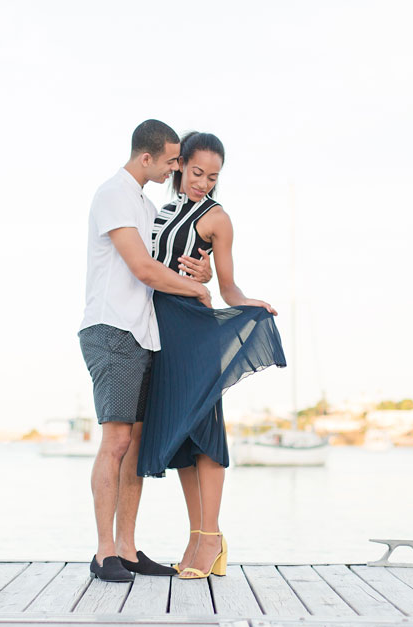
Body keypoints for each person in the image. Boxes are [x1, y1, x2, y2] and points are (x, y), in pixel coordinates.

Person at [137, 132, 286, 580]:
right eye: (197, 172)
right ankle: (197, 538)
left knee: (204, 432)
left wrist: (249, 302)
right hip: (160, 328)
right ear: (179, 164)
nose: (204, 182)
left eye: (213, 176)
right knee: (183, 439)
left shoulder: (218, 218)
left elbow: (227, 287)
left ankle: (212, 538)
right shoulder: (160, 212)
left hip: (193, 328)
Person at [78, 119, 214, 583]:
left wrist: (202, 275)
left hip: (143, 333)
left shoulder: (146, 203)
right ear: (147, 158)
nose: (176, 168)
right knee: (115, 442)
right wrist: (195, 294)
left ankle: (128, 550)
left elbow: (165, 264)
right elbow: (142, 268)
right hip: (110, 329)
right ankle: (103, 553)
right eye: (173, 161)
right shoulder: (113, 194)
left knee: (135, 448)